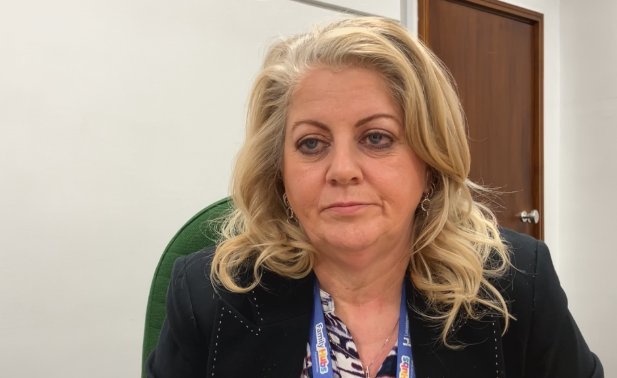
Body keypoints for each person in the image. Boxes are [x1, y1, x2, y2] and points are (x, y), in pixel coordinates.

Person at [145, 17, 603, 378]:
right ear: (279, 172)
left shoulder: (518, 284)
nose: (342, 170)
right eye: (311, 143)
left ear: (429, 161)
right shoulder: (209, 294)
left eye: (377, 137)